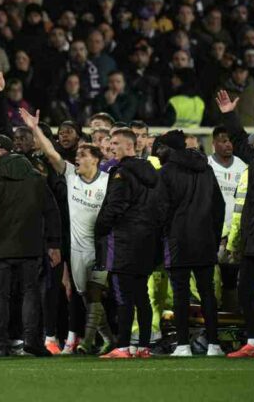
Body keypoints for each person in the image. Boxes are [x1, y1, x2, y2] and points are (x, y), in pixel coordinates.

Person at [20, 108, 115, 355]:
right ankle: (109, 338)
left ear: (95, 159)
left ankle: (85, 342)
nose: (77, 158)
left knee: (94, 294)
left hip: (102, 247)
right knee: (86, 297)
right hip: (76, 250)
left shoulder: (107, 182)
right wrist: (34, 128)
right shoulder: (71, 176)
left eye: (82, 155)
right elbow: (51, 153)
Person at [0, 134, 61, 357]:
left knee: (0, 296)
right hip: (30, 247)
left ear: (1, 151)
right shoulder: (35, 176)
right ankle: (32, 341)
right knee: (30, 294)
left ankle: (0, 345)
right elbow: (52, 211)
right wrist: (53, 244)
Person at [215, 92, 254, 358]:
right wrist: (230, 114)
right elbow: (241, 141)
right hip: (253, 237)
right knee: (244, 290)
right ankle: (253, 342)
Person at [156, 130, 225, 357]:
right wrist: (213, 237)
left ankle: (183, 345)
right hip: (205, 239)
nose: (158, 151)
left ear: (169, 148)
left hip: (178, 241)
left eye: (161, 147)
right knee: (207, 293)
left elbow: (161, 209)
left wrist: (166, 234)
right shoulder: (206, 169)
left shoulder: (166, 172)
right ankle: (214, 344)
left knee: (181, 294)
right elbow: (219, 206)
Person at [95, 128, 159, 359]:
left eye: (115, 143)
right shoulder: (152, 173)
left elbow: (115, 207)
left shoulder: (121, 173)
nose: (111, 146)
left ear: (129, 146)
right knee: (141, 296)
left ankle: (122, 346)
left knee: (123, 296)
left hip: (123, 242)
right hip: (147, 243)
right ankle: (143, 346)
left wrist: (100, 227)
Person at [208, 126, 248, 244]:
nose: (228, 144)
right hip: (212, 230)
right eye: (224, 141)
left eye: (230, 140)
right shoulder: (206, 165)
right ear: (214, 143)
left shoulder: (243, 166)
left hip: (237, 231)